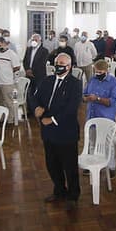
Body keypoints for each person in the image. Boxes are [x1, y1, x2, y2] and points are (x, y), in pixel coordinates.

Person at [34, 53, 83, 211]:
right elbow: (34, 96)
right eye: (56, 63)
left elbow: (71, 108)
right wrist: (35, 107)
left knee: (69, 166)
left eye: (61, 63)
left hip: (65, 131)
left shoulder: (75, 84)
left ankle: (73, 195)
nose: (58, 66)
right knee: (52, 164)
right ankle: (59, 190)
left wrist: (53, 119)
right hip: (48, 132)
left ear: (69, 66)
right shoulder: (47, 81)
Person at [82, 59, 116, 173]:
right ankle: (91, 164)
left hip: (106, 117)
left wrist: (97, 99)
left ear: (106, 70)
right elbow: (84, 95)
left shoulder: (114, 83)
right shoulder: (92, 80)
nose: (97, 74)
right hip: (92, 116)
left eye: (100, 72)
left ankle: (111, 167)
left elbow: (112, 102)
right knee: (91, 141)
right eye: (96, 72)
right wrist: (86, 98)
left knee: (108, 143)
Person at [0, 37, 21, 124]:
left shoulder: (11, 54)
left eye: (1, 46)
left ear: (5, 44)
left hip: (7, 82)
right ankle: (0, 119)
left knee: (9, 102)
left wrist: (8, 72)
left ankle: (11, 120)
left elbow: (17, 67)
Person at [23, 34, 50, 113]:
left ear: (40, 41)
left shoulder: (44, 50)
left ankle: (39, 109)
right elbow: (25, 60)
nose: (34, 41)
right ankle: (30, 109)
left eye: (36, 40)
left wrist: (32, 71)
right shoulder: (28, 49)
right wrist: (27, 70)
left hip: (39, 75)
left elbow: (42, 63)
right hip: (29, 74)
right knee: (29, 92)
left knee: (40, 92)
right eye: (33, 40)